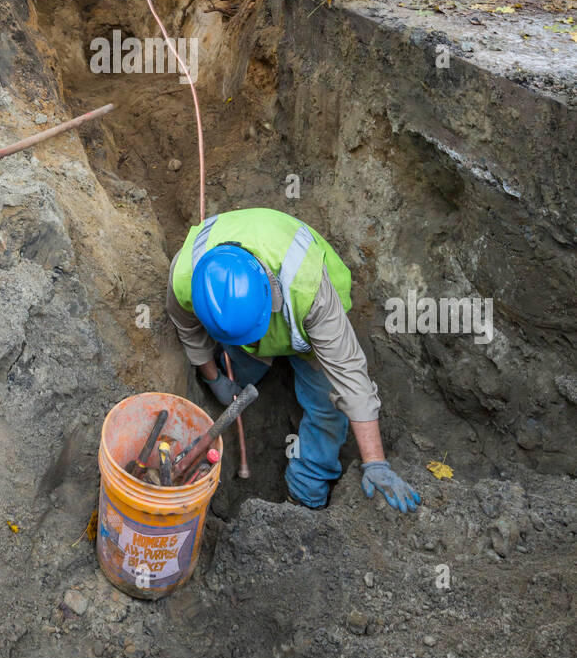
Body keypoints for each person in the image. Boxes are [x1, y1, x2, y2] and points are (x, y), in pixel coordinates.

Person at [166, 207, 422, 514]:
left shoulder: (309, 291)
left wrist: (376, 462)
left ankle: (306, 491)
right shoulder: (186, 278)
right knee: (242, 365)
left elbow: (350, 375)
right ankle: (243, 358)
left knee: (327, 406)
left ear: (269, 290)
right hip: (243, 326)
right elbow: (189, 329)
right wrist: (213, 378)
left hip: (306, 327)